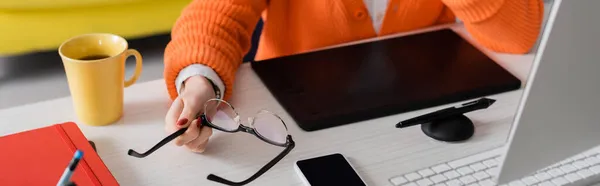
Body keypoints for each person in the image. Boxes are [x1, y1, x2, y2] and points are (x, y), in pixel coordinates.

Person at [163, 0, 544, 153]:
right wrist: (200, 83)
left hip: (426, 122)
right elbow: (215, 16)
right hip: (297, 130)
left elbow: (517, 34)